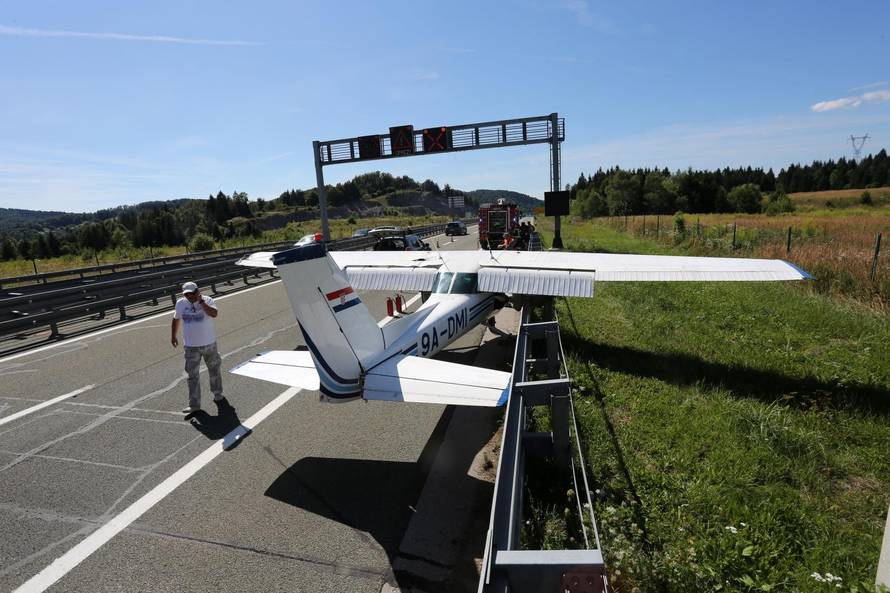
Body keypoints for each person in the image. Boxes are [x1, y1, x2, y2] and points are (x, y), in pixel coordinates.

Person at [171, 281, 224, 414]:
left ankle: (218, 394)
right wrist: (173, 336)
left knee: (214, 371)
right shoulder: (181, 303)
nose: (190, 296)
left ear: (198, 291)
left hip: (209, 344)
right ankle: (194, 404)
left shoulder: (208, 300)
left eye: (193, 293)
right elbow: (176, 318)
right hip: (190, 346)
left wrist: (201, 303)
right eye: (187, 294)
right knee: (192, 376)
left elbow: (214, 314)